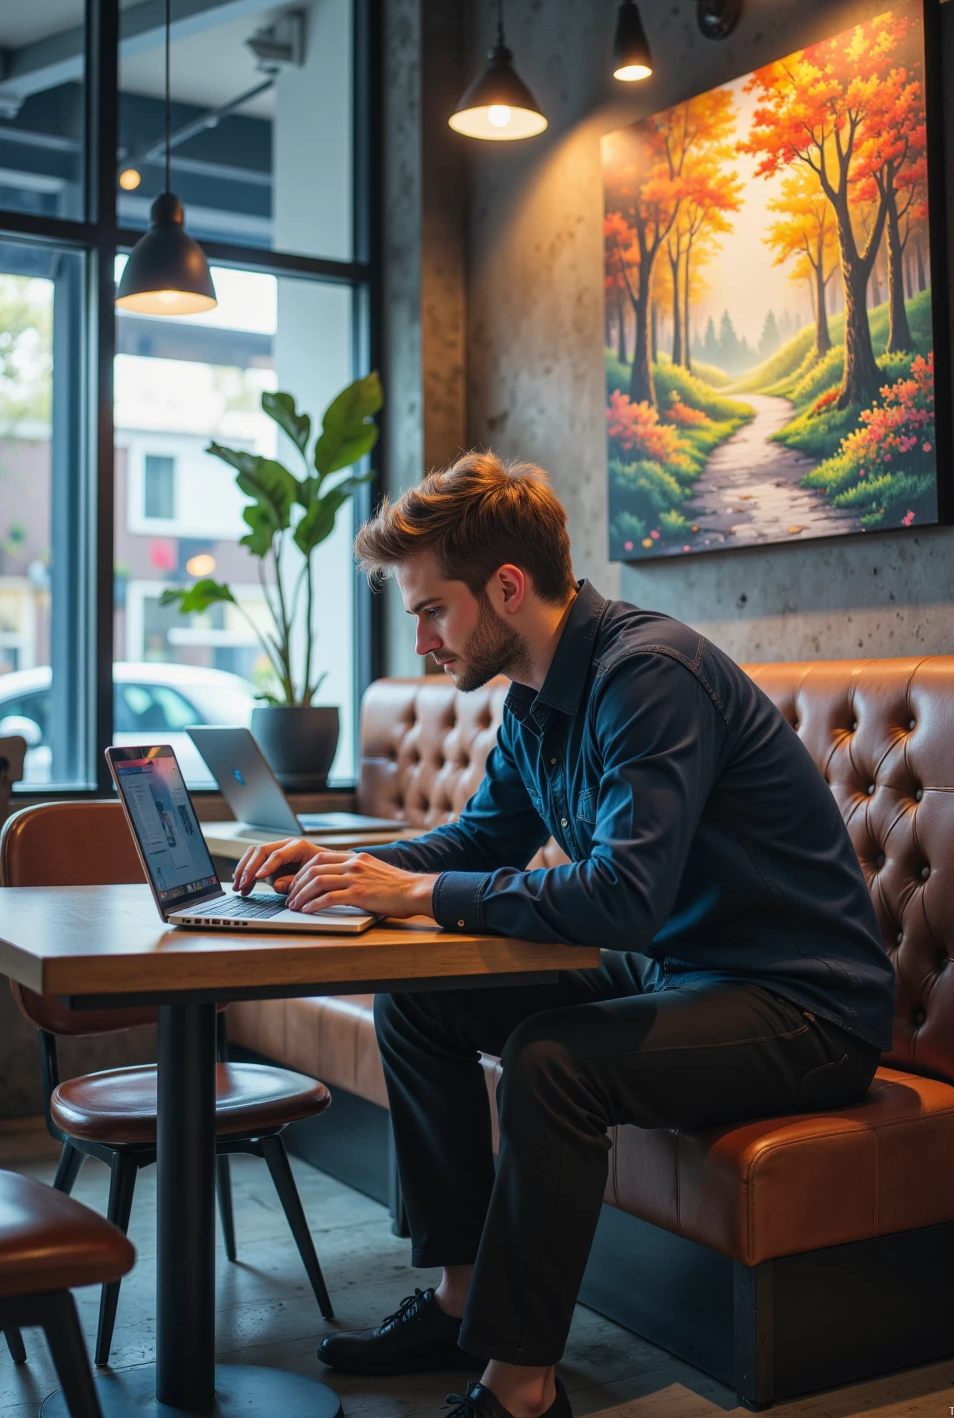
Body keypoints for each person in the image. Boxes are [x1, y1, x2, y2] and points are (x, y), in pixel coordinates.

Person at [233, 451, 895, 1418]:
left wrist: (416, 898)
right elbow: (482, 836)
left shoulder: (650, 676)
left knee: (554, 1059)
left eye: (431, 610)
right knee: (421, 1001)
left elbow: (622, 896)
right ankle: (461, 1302)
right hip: (686, 971)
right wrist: (344, 868)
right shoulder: (538, 697)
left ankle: (521, 1389)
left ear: (507, 587)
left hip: (804, 1001)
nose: (421, 639)